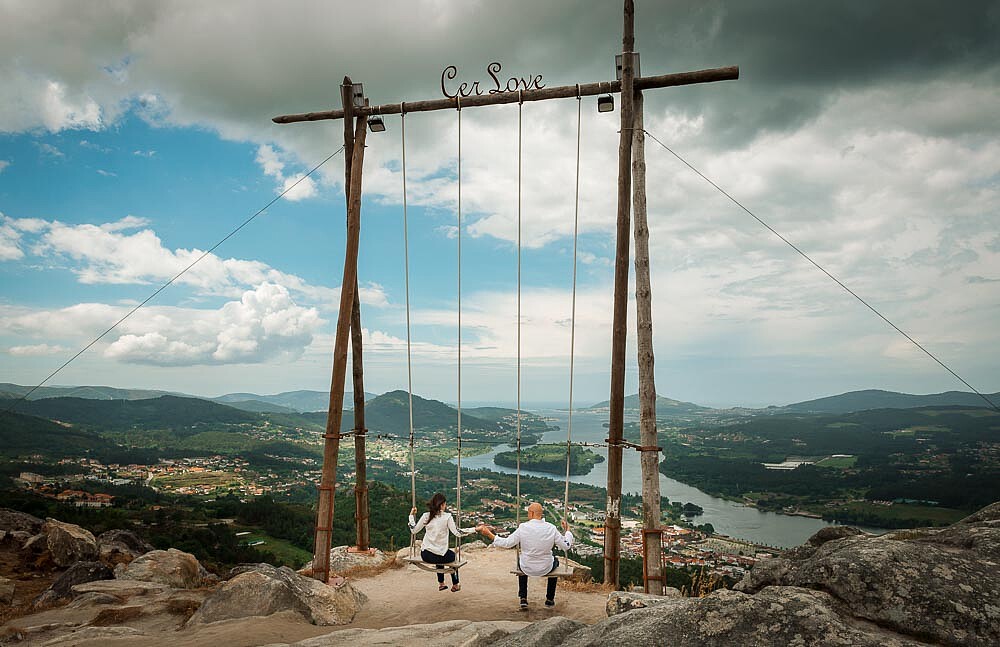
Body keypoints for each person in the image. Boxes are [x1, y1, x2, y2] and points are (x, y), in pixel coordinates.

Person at [477, 502, 573, 610]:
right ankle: (549, 599)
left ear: (531, 513)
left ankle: (523, 598)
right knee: (555, 561)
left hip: (526, 567)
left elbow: (507, 543)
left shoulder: (523, 527)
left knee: (521, 560)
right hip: (546, 568)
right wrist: (568, 531)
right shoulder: (551, 528)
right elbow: (566, 546)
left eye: (528, 512)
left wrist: (489, 534)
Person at [408, 492, 476, 592]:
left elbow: (413, 530)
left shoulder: (426, 516)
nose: (446, 506)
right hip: (440, 555)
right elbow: (458, 533)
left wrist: (411, 515)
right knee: (451, 557)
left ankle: (441, 583)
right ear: (441, 505)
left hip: (426, 554)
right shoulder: (447, 517)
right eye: (445, 504)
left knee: (439, 555)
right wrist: (475, 529)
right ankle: (456, 584)